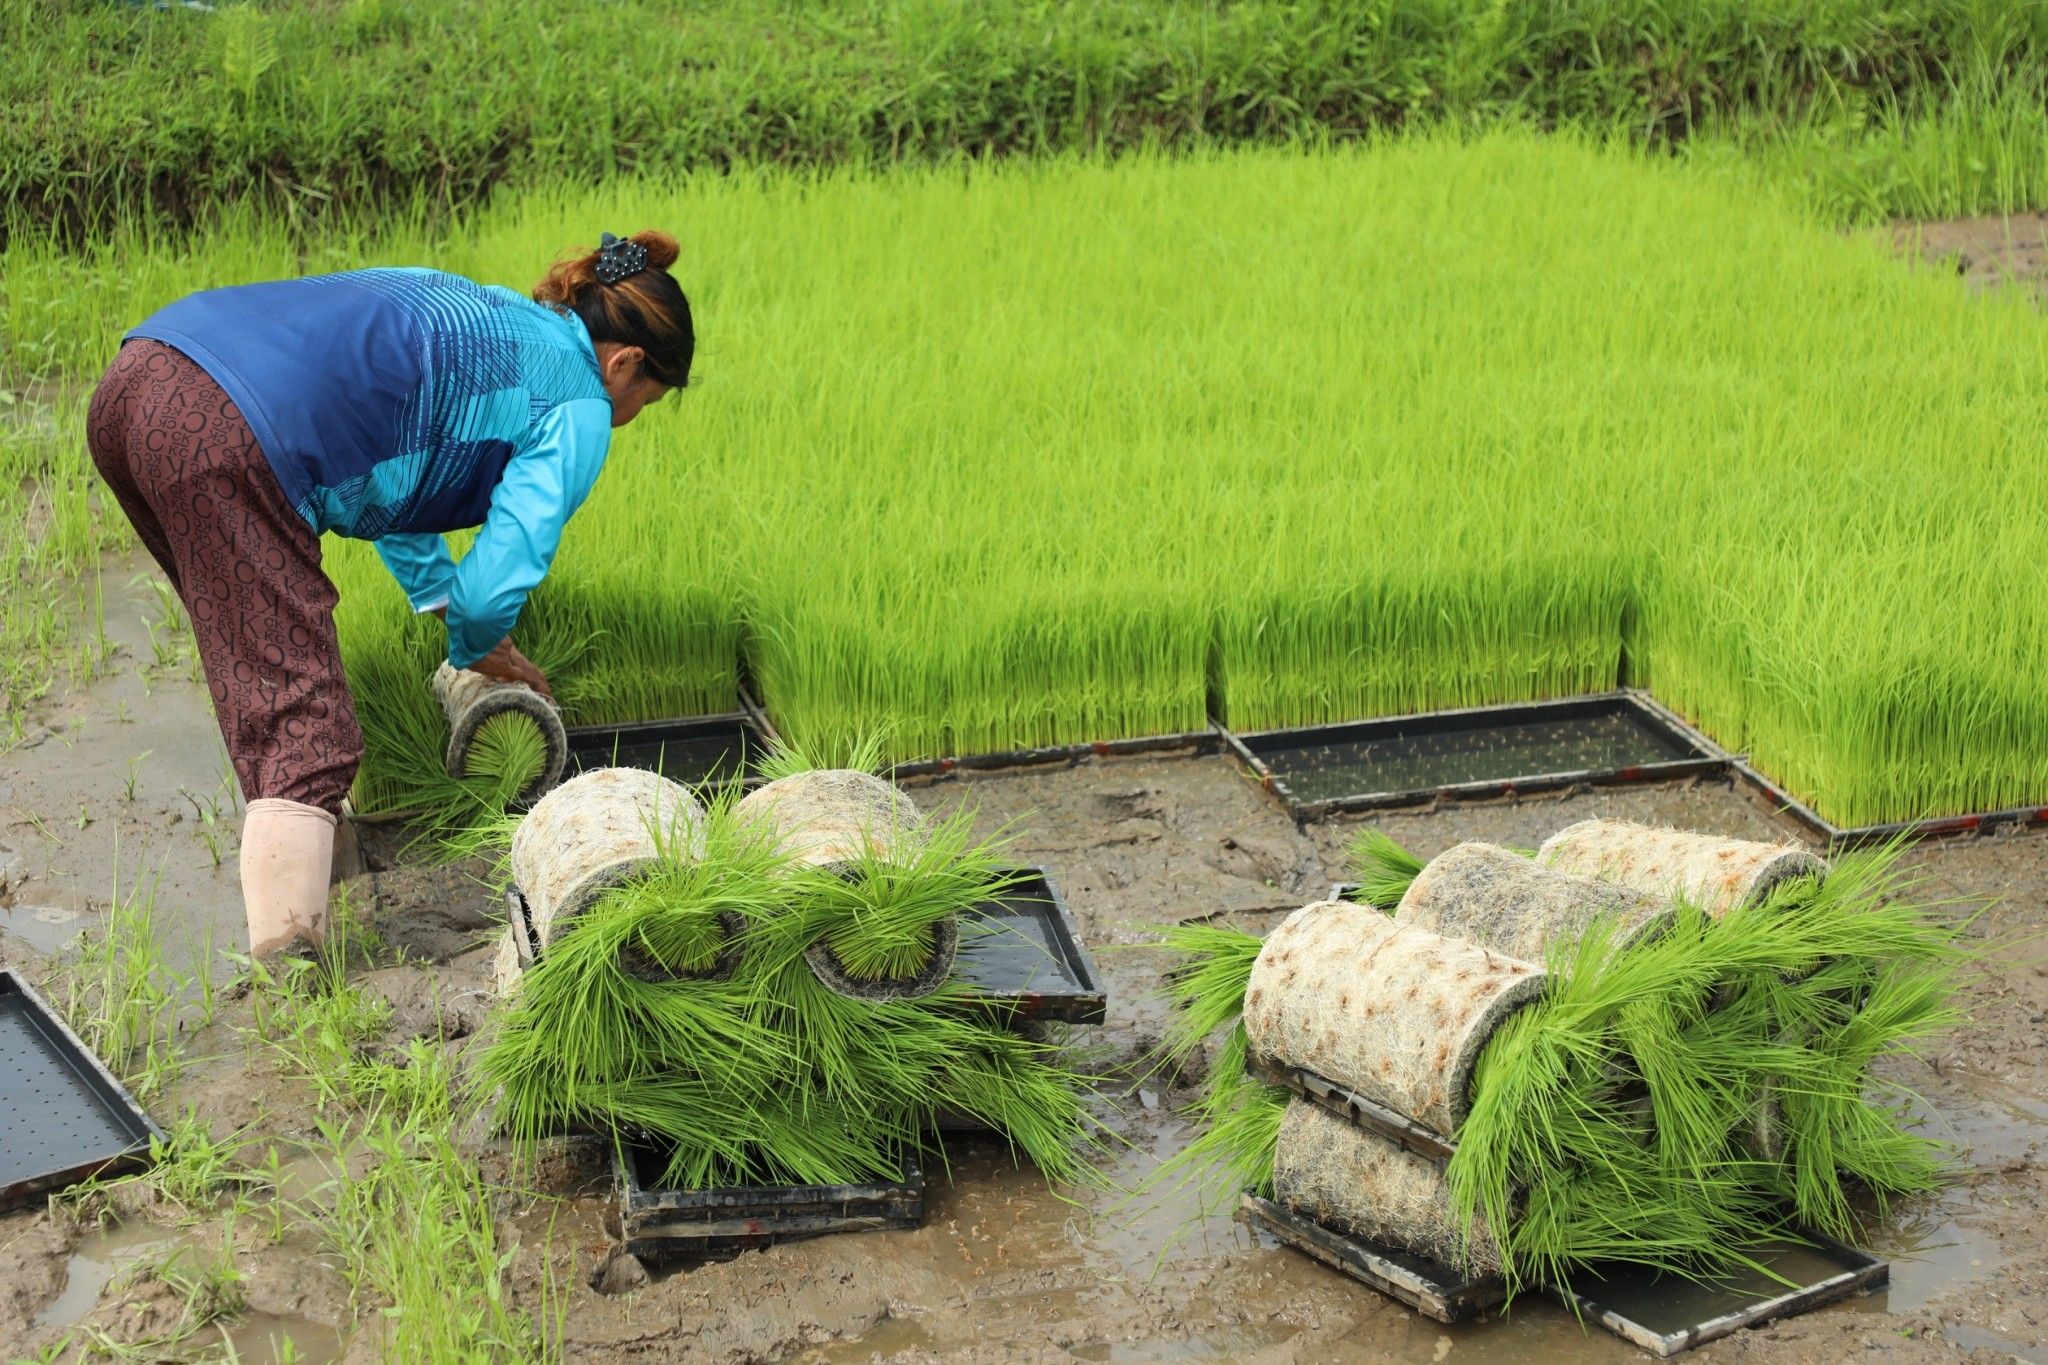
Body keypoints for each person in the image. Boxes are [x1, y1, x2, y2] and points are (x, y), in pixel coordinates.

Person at [85, 231, 693, 960]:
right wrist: (475, 646)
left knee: (260, 676)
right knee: (304, 728)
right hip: (225, 435)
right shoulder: (581, 404)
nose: (628, 418)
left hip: (141, 377)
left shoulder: (489, 312)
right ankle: (293, 980)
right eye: (643, 402)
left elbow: (391, 471)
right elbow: (500, 575)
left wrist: (438, 597)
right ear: (624, 362)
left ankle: (309, 876)